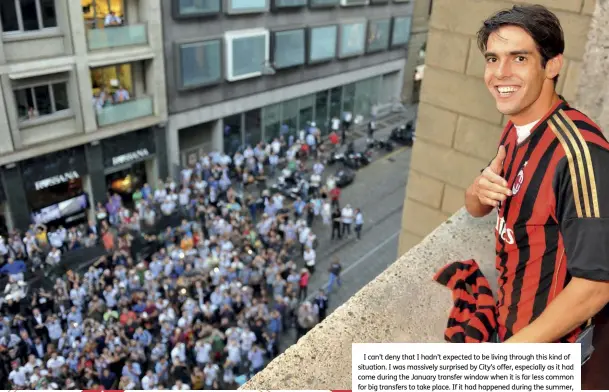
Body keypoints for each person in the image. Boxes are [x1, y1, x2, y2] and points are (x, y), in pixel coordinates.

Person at [464, 5, 609, 350]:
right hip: (509, 322)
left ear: (552, 65)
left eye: (519, 58)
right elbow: (474, 207)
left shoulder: (579, 154)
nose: (500, 73)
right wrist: (478, 188)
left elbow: (596, 286)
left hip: (546, 348)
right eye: (492, 58)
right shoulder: (517, 129)